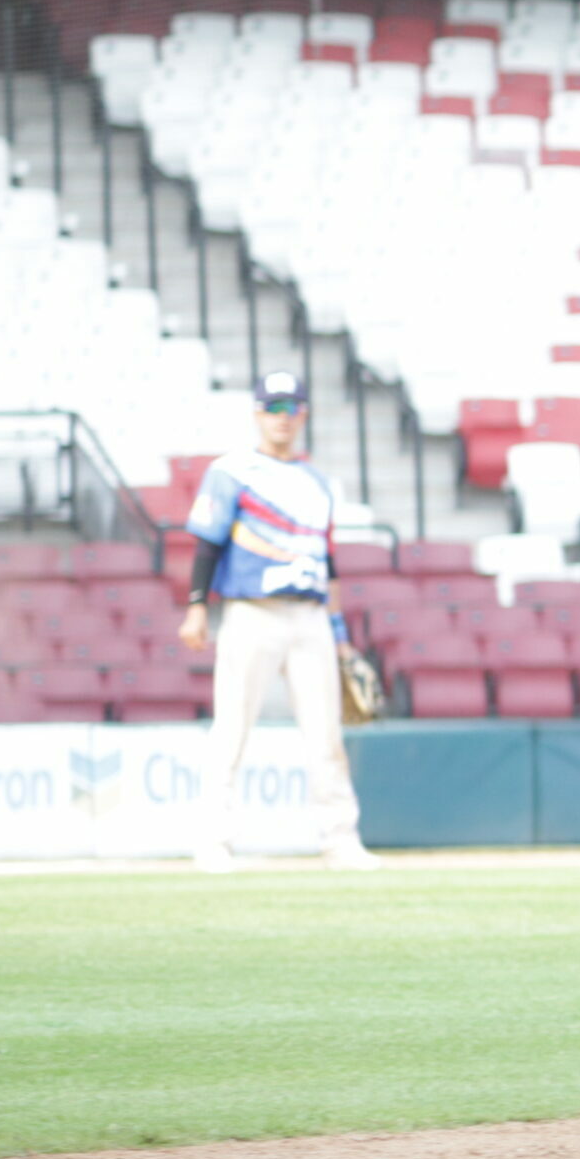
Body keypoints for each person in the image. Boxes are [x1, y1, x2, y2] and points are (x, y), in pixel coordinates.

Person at [177, 371, 377, 873]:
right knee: (232, 728)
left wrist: (340, 635)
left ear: (303, 413)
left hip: (309, 615)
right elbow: (208, 544)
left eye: (290, 408)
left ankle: (340, 841)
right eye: (273, 408)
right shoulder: (233, 470)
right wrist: (198, 605)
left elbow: (328, 564)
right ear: (256, 413)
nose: (281, 418)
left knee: (325, 734)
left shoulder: (317, 482)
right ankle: (213, 843)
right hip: (252, 611)